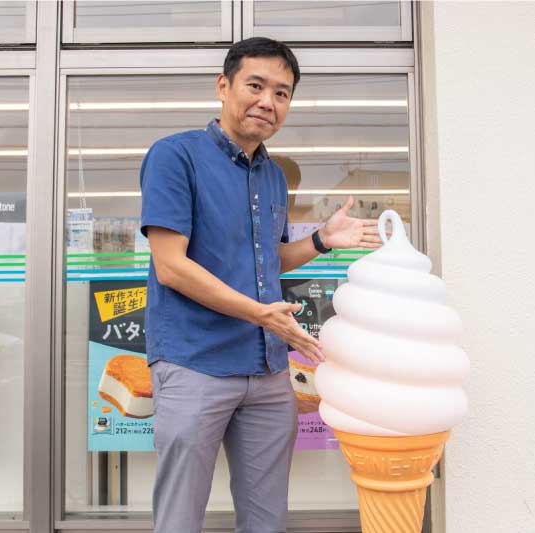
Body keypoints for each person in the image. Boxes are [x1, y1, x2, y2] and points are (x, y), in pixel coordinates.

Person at [139, 37, 383, 533]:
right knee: (180, 517)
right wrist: (260, 313)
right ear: (223, 86)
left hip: (267, 371)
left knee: (267, 519)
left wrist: (321, 240)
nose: (268, 101)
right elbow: (171, 266)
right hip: (194, 363)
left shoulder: (272, 176)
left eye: (282, 93)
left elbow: (267, 261)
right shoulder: (175, 156)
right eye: (255, 86)